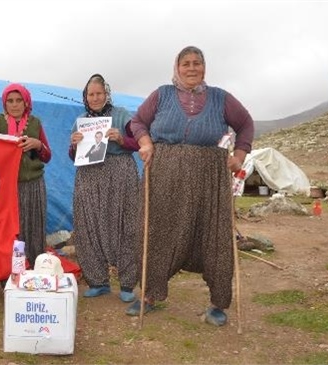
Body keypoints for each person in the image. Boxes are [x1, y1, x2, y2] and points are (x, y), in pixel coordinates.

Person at [126, 46, 254, 325]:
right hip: (164, 171)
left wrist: (239, 156)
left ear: (204, 67)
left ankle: (218, 304)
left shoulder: (221, 98)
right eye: (186, 63)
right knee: (156, 230)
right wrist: (146, 143)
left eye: (197, 63)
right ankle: (149, 294)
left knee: (214, 234)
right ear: (177, 67)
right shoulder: (161, 94)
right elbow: (137, 122)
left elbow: (245, 125)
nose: (192, 68)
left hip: (210, 174)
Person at [69, 73, 141, 303]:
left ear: (106, 94)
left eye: (99, 93)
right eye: (91, 94)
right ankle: (98, 281)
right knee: (89, 225)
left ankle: (128, 283)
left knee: (125, 224)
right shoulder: (81, 120)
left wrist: (122, 139)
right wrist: (74, 144)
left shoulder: (122, 116)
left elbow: (138, 143)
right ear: (85, 96)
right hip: (89, 176)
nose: (95, 97)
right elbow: (73, 156)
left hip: (120, 174)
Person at [0, 83, 52, 268]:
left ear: (26, 103)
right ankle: (12, 271)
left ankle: (36, 268)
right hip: (8, 187)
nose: (15, 105)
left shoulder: (35, 123)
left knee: (34, 227)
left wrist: (38, 144)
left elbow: (47, 156)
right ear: (4, 103)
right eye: (10, 101)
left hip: (34, 184)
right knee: (11, 229)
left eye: (19, 100)